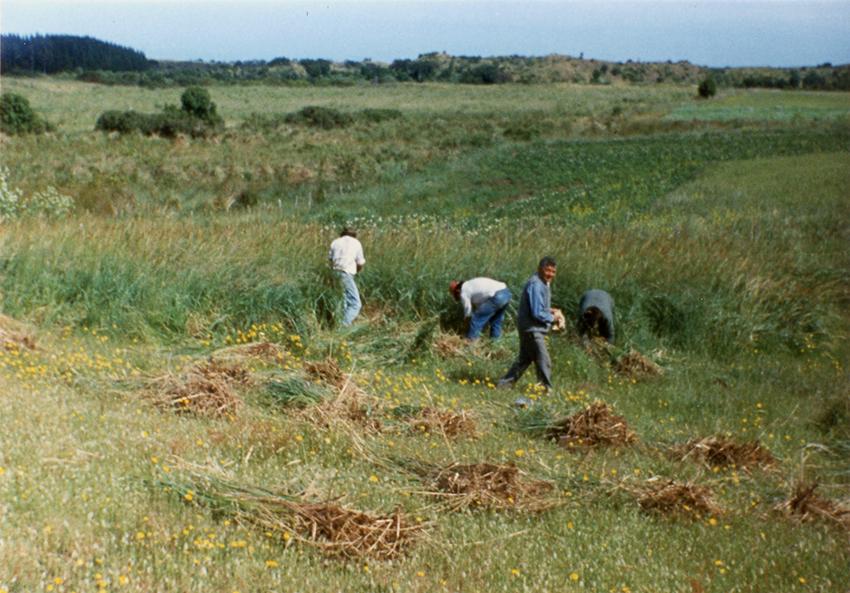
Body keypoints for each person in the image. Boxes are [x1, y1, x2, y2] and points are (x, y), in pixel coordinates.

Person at [498, 257, 558, 391]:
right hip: (532, 328)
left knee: (525, 359)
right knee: (543, 358)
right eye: (547, 270)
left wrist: (551, 311)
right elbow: (537, 312)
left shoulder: (543, 283)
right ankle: (545, 389)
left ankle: (504, 385)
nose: (550, 274)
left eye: (553, 272)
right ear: (540, 269)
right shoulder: (536, 284)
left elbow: (540, 308)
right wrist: (553, 318)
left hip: (531, 327)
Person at [328, 226, 365, 326]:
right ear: (354, 235)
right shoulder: (356, 243)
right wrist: (356, 271)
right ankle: (343, 325)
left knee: (342, 302)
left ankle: (336, 324)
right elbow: (360, 263)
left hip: (335, 273)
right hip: (346, 273)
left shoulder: (335, 242)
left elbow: (331, 260)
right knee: (355, 304)